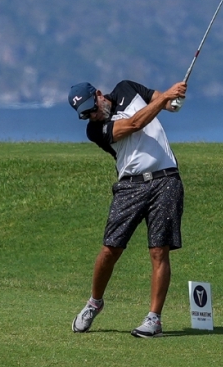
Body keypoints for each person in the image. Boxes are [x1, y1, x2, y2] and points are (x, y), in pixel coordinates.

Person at [68, 79, 187, 338]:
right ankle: (94, 303)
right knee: (110, 250)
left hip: (166, 180)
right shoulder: (95, 130)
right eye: (86, 115)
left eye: (93, 108)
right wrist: (165, 96)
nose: (92, 115)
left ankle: (154, 320)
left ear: (99, 95)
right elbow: (135, 124)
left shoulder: (126, 88)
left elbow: (167, 104)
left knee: (159, 251)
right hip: (130, 186)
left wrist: (174, 99)